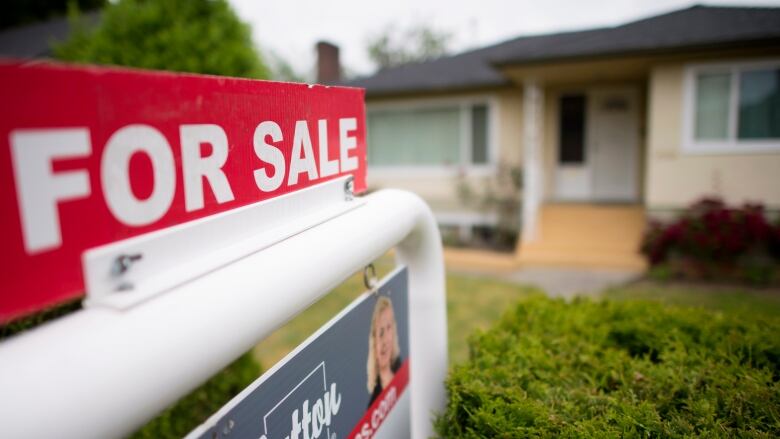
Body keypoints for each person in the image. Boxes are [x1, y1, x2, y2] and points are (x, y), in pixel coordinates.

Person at [366, 295, 402, 407]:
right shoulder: (374, 404)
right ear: (373, 342)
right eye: (380, 333)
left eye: (389, 328)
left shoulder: (401, 368)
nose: (385, 340)